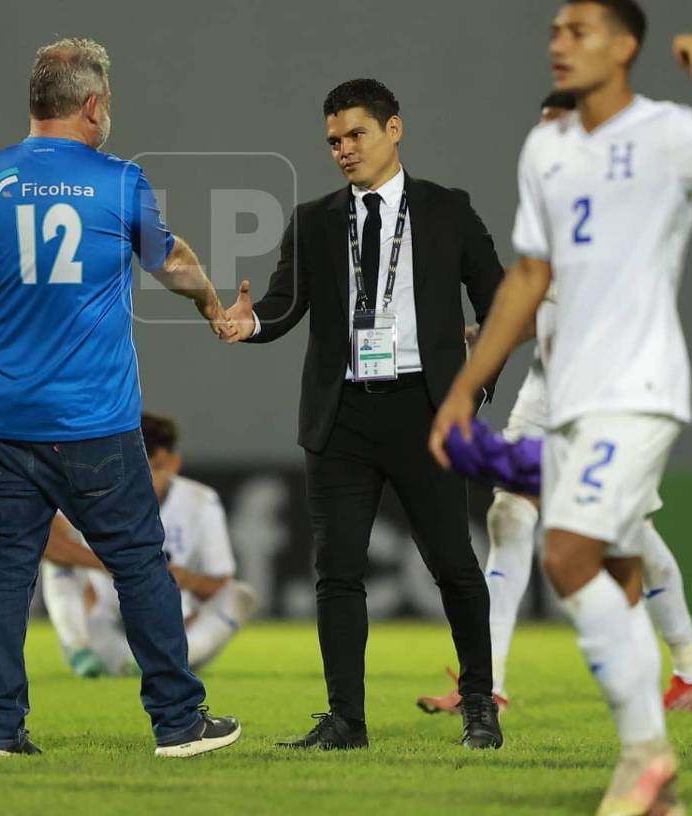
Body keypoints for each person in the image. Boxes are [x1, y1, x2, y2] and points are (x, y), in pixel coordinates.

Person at [430, 1, 692, 812]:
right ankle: (660, 765)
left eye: (579, 30)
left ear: (625, 47)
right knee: (618, 570)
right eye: (554, 30)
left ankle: (644, 760)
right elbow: (528, 278)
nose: (559, 42)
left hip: (639, 387)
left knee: (565, 555)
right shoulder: (547, 147)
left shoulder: (668, 129)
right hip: (572, 398)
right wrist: (460, 392)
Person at [0, 38, 239, 758]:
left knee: (9, 565)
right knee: (138, 560)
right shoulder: (119, 182)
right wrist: (214, 309)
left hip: (7, 421)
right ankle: (178, 722)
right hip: (95, 422)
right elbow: (174, 262)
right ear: (92, 105)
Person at [224, 78, 505, 750]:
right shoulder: (315, 219)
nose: (344, 150)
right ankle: (346, 720)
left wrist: (476, 389)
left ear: (393, 129)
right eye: (333, 141)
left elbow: (498, 303)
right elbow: (284, 304)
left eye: (356, 135)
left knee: (454, 565)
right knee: (337, 572)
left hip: (426, 410)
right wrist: (248, 322)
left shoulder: (447, 210)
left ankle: (477, 706)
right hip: (341, 415)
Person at [418, 91, 692, 720]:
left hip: (614, 395)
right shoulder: (550, 208)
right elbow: (534, 299)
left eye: (562, 131)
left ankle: (688, 670)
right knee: (509, 519)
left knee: (627, 533)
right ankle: (489, 684)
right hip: (546, 391)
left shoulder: (620, 207)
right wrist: (484, 341)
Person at [41, 412, 257, 677]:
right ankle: (79, 648)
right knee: (57, 566)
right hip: (105, 627)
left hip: (172, 630)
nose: (147, 476)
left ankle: (170, 660)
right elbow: (49, 543)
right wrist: (111, 564)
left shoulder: (200, 501)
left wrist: (182, 578)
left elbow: (220, 583)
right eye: (139, 465)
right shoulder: (94, 490)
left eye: (156, 466)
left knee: (240, 595)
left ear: (174, 463)